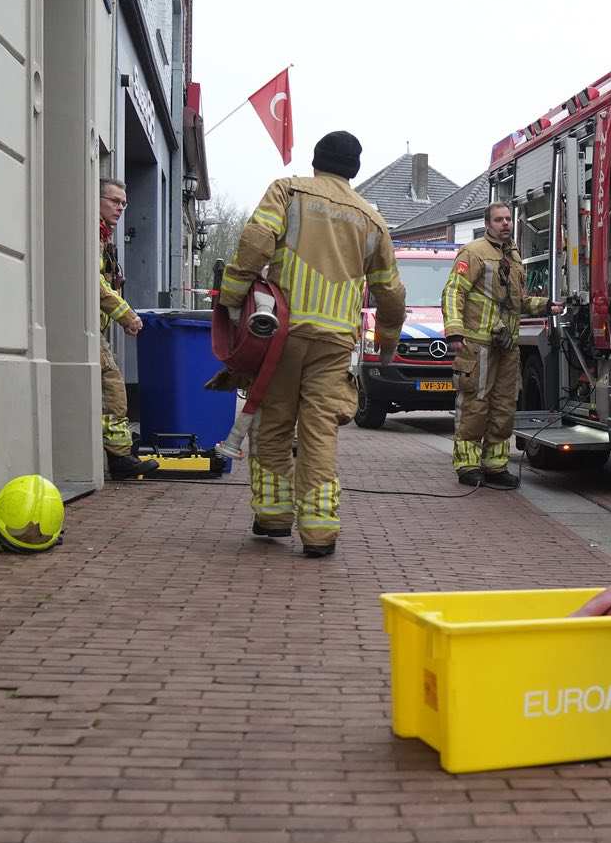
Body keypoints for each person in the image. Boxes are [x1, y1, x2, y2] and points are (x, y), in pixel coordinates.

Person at [216, 131, 405, 557]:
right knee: (320, 432)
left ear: (316, 160)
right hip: (334, 343)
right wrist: (387, 345)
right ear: (355, 169)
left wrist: (231, 299)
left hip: (282, 334)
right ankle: (319, 532)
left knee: (274, 424)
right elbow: (391, 292)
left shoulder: (288, 191)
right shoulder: (372, 220)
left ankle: (273, 516)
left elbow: (254, 245)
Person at [442, 203, 541, 488]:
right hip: (478, 345)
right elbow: (453, 292)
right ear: (488, 224)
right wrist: (455, 332)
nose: (505, 223)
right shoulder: (473, 252)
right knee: (475, 405)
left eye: (508, 219)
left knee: (504, 406)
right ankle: (467, 466)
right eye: (499, 219)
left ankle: (495, 466)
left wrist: (546, 305)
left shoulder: (514, 257)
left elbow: (518, 301)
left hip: (507, 346)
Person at [99, 179, 157, 479]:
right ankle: (120, 458)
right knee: (113, 388)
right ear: (95, 199)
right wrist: (126, 315)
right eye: (114, 201)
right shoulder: (90, 234)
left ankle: (121, 451)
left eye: (124, 203)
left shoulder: (103, 236)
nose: (120, 207)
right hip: (85, 328)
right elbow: (95, 283)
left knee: (111, 386)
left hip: (94, 328)